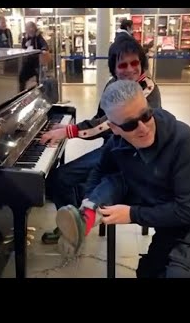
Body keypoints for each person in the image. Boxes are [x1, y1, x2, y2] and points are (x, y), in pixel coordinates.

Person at [55, 80, 190, 278]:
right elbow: (99, 172)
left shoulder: (185, 141)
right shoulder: (117, 144)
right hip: (169, 212)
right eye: (131, 124)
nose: (142, 127)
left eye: (146, 115)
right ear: (114, 128)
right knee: (147, 273)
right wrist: (90, 200)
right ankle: (87, 216)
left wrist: (132, 214)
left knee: (180, 274)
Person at [40, 36, 161, 244]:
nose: (130, 69)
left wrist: (69, 131)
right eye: (123, 64)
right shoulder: (113, 84)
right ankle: (73, 220)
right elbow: (100, 120)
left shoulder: (147, 88)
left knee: (61, 179)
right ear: (114, 68)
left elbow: (106, 124)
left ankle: (75, 224)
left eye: (135, 63)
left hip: (133, 156)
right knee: (63, 180)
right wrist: (70, 129)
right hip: (114, 148)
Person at [19, 21, 49, 90]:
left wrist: (43, 50)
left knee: (40, 78)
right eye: (26, 28)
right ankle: (22, 93)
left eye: (28, 28)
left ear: (32, 28)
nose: (27, 30)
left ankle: (41, 93)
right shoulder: (25, 38)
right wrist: (25, 46)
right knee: (22, 77)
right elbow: (23, 48)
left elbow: (44, 45)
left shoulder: (38, 37)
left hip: (37, 62)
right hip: (28, 62)